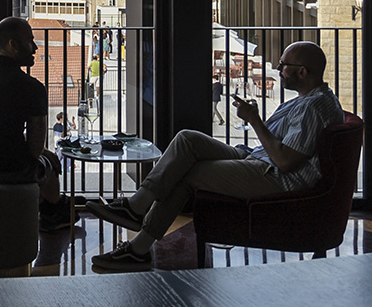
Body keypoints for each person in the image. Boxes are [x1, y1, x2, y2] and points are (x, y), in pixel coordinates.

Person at [87, 41, 344, 272]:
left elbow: (286, 161)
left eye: (283, 65)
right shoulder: (308, 99)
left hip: (275, 177)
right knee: (187, 139)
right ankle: (138, 206)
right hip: (257, 159)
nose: (277, 68)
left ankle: (139, 248)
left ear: (302, 72)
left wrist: (254, 121)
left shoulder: (314, 107)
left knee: (189, 173)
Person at [0, 16, 75, 232]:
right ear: (13, 45)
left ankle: (44, 205)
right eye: (30, 41)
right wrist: (47, 154)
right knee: (48, 164)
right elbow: (35, 148)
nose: (35, 47)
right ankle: (53, 213)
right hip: (10, 170)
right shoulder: (32, 88)